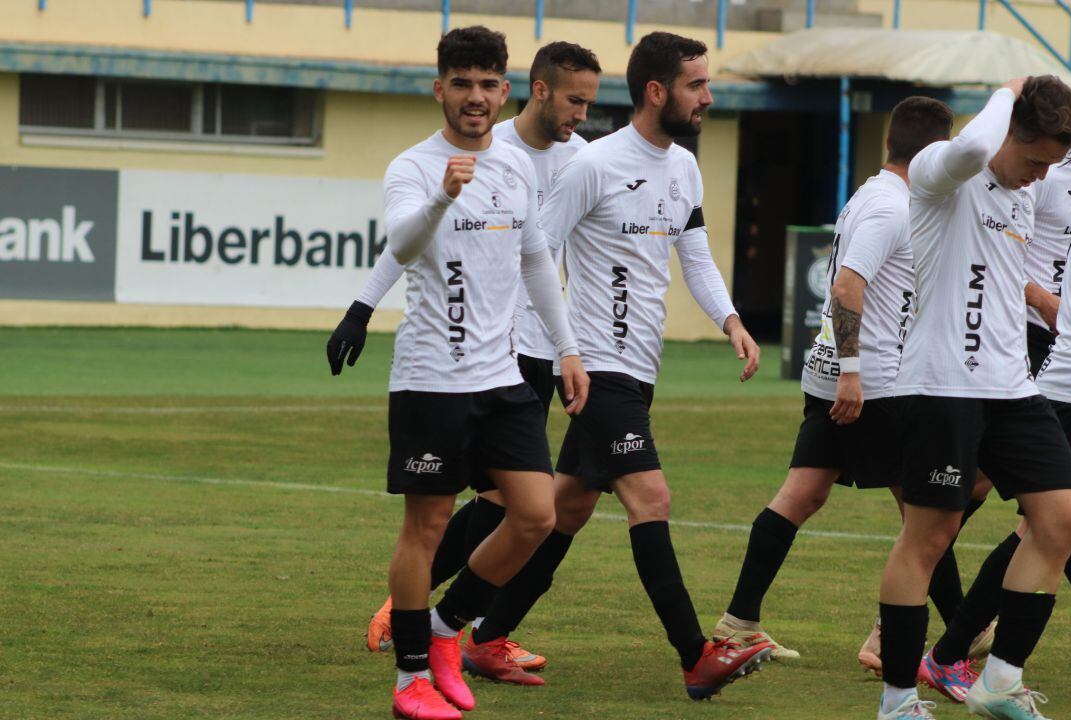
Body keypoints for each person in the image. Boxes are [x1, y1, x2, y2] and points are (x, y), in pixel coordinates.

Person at [458, 31, 770, 701]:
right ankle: (696, 655)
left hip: (639, 366)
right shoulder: (593, 165)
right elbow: (534, 250)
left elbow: (696, 256)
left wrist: (732, 320)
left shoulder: (684, 167)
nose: (708, 97)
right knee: (650, 497)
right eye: (696, 85)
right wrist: (547, 344)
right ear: (657, 92)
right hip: (598, 369)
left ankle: (482, 639)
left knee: (565, 511)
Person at [327, 26, 589, 720]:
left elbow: (536, 261)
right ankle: (412, 678)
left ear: (504, 91)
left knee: (537, 514)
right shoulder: (412, 167)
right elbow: (403, 242)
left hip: (501, 376)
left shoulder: (514, 168)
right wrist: (442, 196)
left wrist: (567, 350)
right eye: (461, 84)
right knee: (429, 526)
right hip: (430, 378)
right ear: (439, 88)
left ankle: (446, 633)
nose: (475, 97)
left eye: (486, 84)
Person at [710, 97, 956, 662]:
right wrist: (852, 372)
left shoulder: (876, 194)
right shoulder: (891, 208)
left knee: (803, 493)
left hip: (838, 376)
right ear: (934, 153)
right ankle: (950, 639)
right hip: (871, 384)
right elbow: (847, 287)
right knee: (928, 518)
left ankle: (739, 619)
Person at [874, 75, 1071, 720]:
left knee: (1061, 520)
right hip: (941, 387)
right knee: (928, 540)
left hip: (1014, 387)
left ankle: (996, 683)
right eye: (1034, 161)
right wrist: (1004, 91)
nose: (1038, 178)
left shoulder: (1023, 189)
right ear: (1005, 132)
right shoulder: (943, 170)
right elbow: (973, 151)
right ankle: (898, 699)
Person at [915, 154, 1071, 707]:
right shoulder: (1041, 176)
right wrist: (1038, 299)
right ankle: (942, 653)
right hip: (1051, 381)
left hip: (1044, 377)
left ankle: (953, 655)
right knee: (1043, 526)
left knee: (1046, 527)